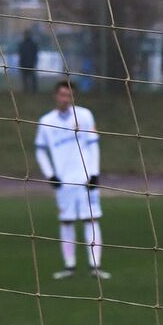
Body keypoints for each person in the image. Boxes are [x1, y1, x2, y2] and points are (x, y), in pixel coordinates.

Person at [34, 80, 107, 280]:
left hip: (85, 179)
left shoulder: (84, 115)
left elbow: (93, 146)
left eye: (68, 95)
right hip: (63, 181)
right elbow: (40, 151)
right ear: (55, 96)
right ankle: (70, 266)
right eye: (62, 95)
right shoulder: (46, 121)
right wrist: (50, 175)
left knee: (90, 219)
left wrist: (94, 172)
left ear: (73, 97)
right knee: (66, 221)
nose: (65, 99)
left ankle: (95, 266)